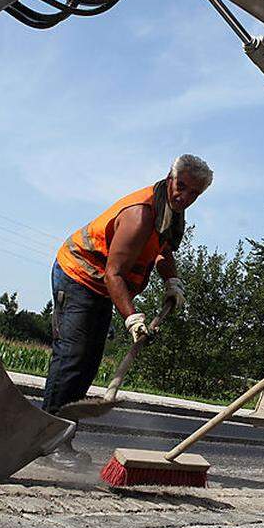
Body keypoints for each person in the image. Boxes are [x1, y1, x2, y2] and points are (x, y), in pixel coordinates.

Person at [40, 154, 213, 470]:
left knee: (88, 361)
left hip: (101, 285)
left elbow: (162, 251)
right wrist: (132, 317)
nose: (185, 197)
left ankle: (58, 438)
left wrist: (171, 281)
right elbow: (114, 274)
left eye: (194, 194)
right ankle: (47, 443)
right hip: (80, 276)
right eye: (182, 187)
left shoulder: (169, 214)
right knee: (72, 358)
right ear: (169, 178)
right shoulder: (140, 215)